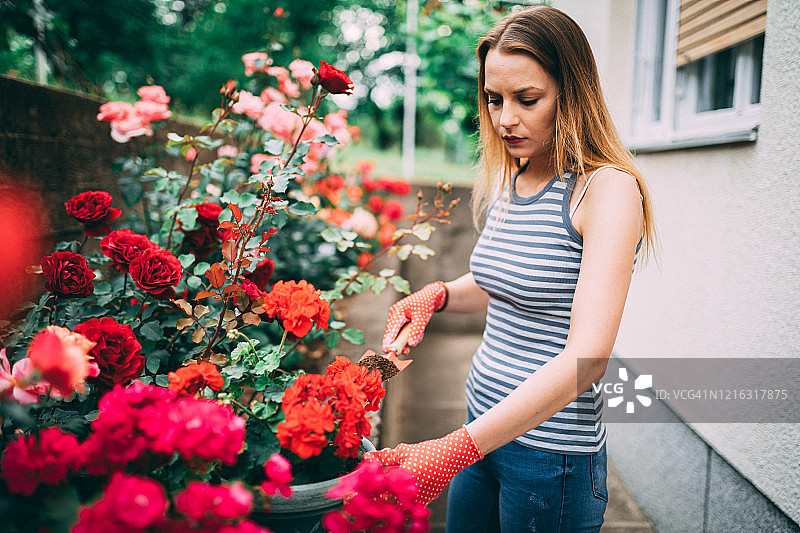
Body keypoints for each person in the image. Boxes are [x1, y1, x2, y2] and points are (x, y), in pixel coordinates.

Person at [365, 6, 657, 533]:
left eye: (527, 100)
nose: (504, 120)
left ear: (572, 94)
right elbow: (501, 282)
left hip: (550, 460)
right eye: (494, 99)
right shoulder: (515, 174)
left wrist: (451, 451)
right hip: (482, 429)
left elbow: (586, 361)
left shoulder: (605, 192)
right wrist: (437, 295)